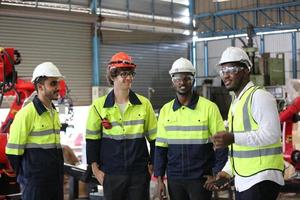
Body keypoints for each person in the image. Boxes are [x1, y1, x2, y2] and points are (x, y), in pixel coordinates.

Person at [211, 46, 284, 200]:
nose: (226, 75)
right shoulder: (236, 103)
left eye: (231, 69)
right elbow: (239, 149)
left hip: (262, 177)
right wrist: (227, 171)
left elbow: (272, 134)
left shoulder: (259, 97)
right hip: (245, 179)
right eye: (223, 71)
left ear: (246, 70)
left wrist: (233, 137)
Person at [85, 52, 157, 200]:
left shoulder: (144, 104)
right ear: (112, 76)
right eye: (124, 74)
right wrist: (96, 171)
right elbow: (92, 140)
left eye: (131, 74)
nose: (129, 78)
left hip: (139, 174)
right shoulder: (98, 107)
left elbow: (155, 139)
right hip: (111, 174)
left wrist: (153, 166)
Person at [154, 57, 227, 200]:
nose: (182, 82)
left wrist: (216, 173)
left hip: (201, 179)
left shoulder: (209, 108)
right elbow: (161, 148)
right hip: (175, 179)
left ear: (193, 79)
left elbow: (222, 145)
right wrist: (159, 179)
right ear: (172, 81)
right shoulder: (165, 110)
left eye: (187, 78)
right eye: (177, 78)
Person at [6, 62, 65, 200]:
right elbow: (13, 152)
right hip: (35, 185)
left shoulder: (53, 112)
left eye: (58, 83)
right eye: (53, 84)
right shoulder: (26, 114)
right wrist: (27, 177)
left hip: (54, 181)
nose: (58, 87)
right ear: (40, 87)